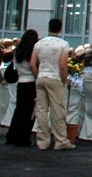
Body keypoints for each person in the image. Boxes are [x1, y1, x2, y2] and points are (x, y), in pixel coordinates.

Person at [31, 17, 74, 150]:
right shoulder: (63, 44)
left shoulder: (39, 44)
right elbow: (62, 65)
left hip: (41, 77)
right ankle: (61, 140)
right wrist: (64, 79)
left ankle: (42, 141)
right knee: (58, 110)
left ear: (49, 28)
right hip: (55, 78)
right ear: (60, 29)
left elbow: (33, 64)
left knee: (41, 110)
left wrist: (38, 75)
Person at [5, 30, 39, 147]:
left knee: (19, 109)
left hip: (21, 81)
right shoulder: (33, 51)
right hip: (31, 82)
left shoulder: (17, 51)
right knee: (29, 111)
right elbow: (33, 66)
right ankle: (24, 137)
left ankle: (12, 136)